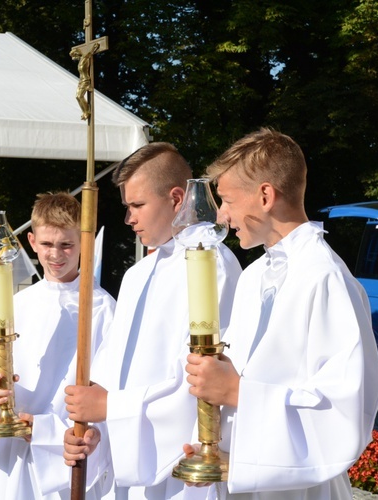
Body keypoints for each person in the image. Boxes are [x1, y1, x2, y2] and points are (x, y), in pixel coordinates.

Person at [182, 128, 378, 499]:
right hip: (243, 475)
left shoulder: (325, 278)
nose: (222, 216)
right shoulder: (256, 274)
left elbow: (344, 406)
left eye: (226, 200)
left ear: (265, 195)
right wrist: (216, 439)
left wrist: (237, 390)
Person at [63, 142, 242, 498]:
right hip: (130, 453)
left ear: (177, 199)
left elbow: (202, 379)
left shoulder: (210, 262)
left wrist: (111, 408)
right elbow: (112, 374)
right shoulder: (138, 274)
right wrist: (90, 425)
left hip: (184, 466)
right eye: (127, 207)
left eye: (138, 206)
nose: (129, 219)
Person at [0, 192, 116, 499]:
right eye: (46, 244)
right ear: (31, 242)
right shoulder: (17, 304)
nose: (55, 254)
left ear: (84, 243)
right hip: (13, 458)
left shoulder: (102, 309)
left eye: (66, 245)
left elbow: (110, 393)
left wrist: (48, 431)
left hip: (64, 455)